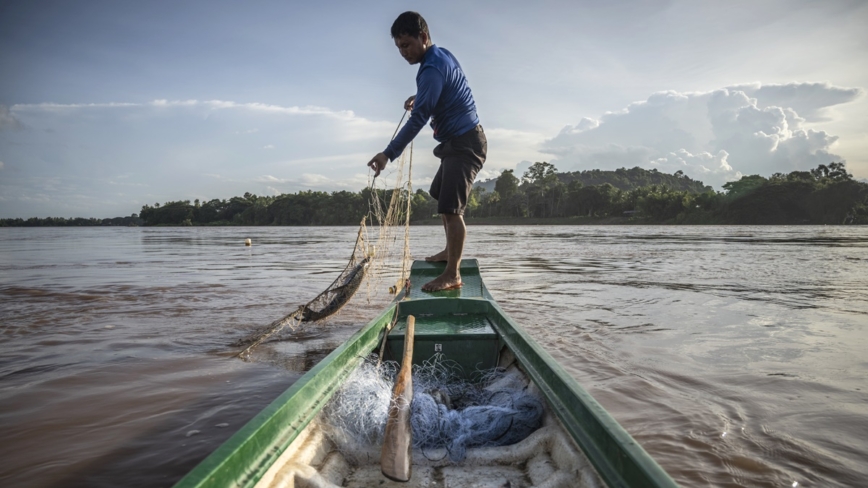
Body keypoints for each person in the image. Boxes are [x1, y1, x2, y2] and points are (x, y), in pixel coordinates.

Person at [367, 11, 487, 292]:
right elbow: (441, 89)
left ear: (423, 37)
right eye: (398, 47)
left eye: (406, 45)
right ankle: (449, 252)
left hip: (465, 143)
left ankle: (453, 273)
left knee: (452, 209)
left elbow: (419, 119)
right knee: (440, 196)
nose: (402, 52)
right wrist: (420, 95)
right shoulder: (440, 57)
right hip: (455, 143)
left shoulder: (431, 69)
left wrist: (388, 154)